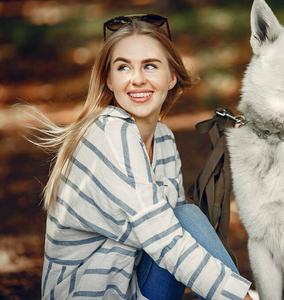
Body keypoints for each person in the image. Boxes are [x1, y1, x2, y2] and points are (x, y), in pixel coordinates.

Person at [35, 14, 254, 300]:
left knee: (185, 217)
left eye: (150, 66)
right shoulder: (110, 133)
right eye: (123, 67)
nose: (137, 79)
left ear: (172, 76)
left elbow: (175, 235)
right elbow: (167, 242)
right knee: (184, 220)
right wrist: (245, 296)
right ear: (109, 80)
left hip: (134, 286)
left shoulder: (162, 138)